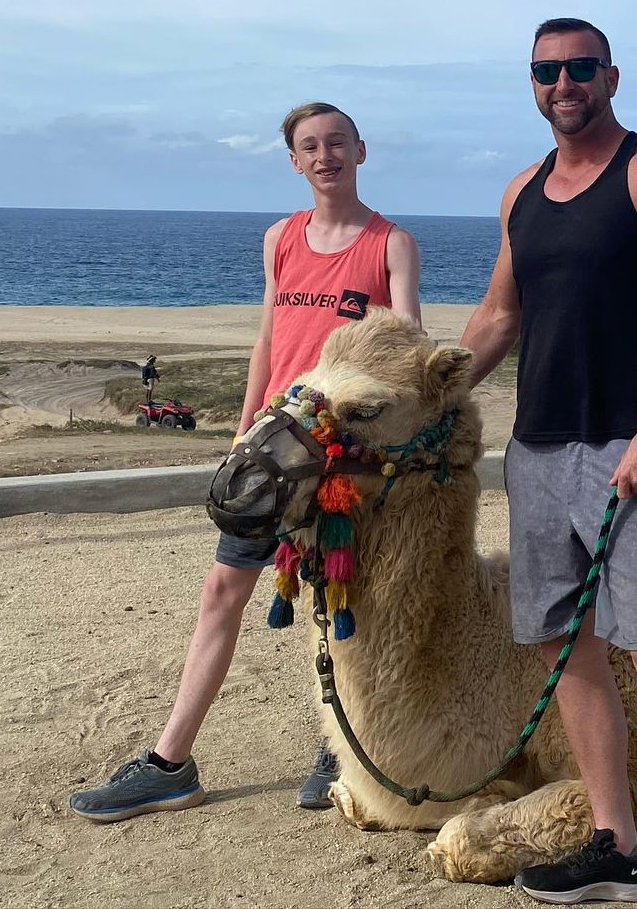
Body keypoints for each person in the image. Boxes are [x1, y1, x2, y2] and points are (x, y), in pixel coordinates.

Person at [69, 102, 422, 823]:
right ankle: (170, 764)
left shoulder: (391, 243)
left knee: (344, 603)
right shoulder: (280, 239)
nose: (325, 156)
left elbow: (406, 349)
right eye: (309, 147)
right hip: (272, 453)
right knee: (223, 592)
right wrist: (243, 430)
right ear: (295, 162)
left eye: (337, 143)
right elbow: (269, 338)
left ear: (361, 151)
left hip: (342, 457)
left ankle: (340, 750)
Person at [460, 20, 637, 909]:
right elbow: (500, 316)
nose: (563, 83)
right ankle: (617, 841)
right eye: (546, 70)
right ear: (532, 82)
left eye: (579, 67)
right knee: (561, 646)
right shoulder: (521, 191)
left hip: (629, 450)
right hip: (536, 449)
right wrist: (428, 392)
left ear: (610, 77)